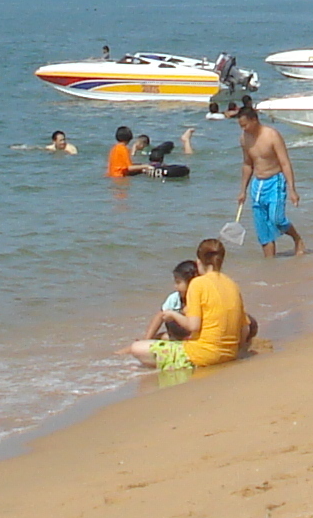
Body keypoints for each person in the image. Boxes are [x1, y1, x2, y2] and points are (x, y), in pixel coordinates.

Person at [123, 236, 254, 370]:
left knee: (137, 348)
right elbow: (245, 328)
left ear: (199, 261)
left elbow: (193, 326)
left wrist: (172, 315)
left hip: (202, 355)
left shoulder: (198, 284)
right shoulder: (232, 284)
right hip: (230, 354)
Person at [231, 101, 299, 257]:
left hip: (275, 180)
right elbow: (248, 164)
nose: (243, 128)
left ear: (254, 120)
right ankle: (270, 264)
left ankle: (297, 239)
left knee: (277, 219)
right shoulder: (244, 138)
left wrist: (292, 189)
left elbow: (285, 163)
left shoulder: (271, 135)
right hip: (257, 184)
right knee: (262, 227)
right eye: (241, 126)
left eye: (245, 125)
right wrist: (243, 190)